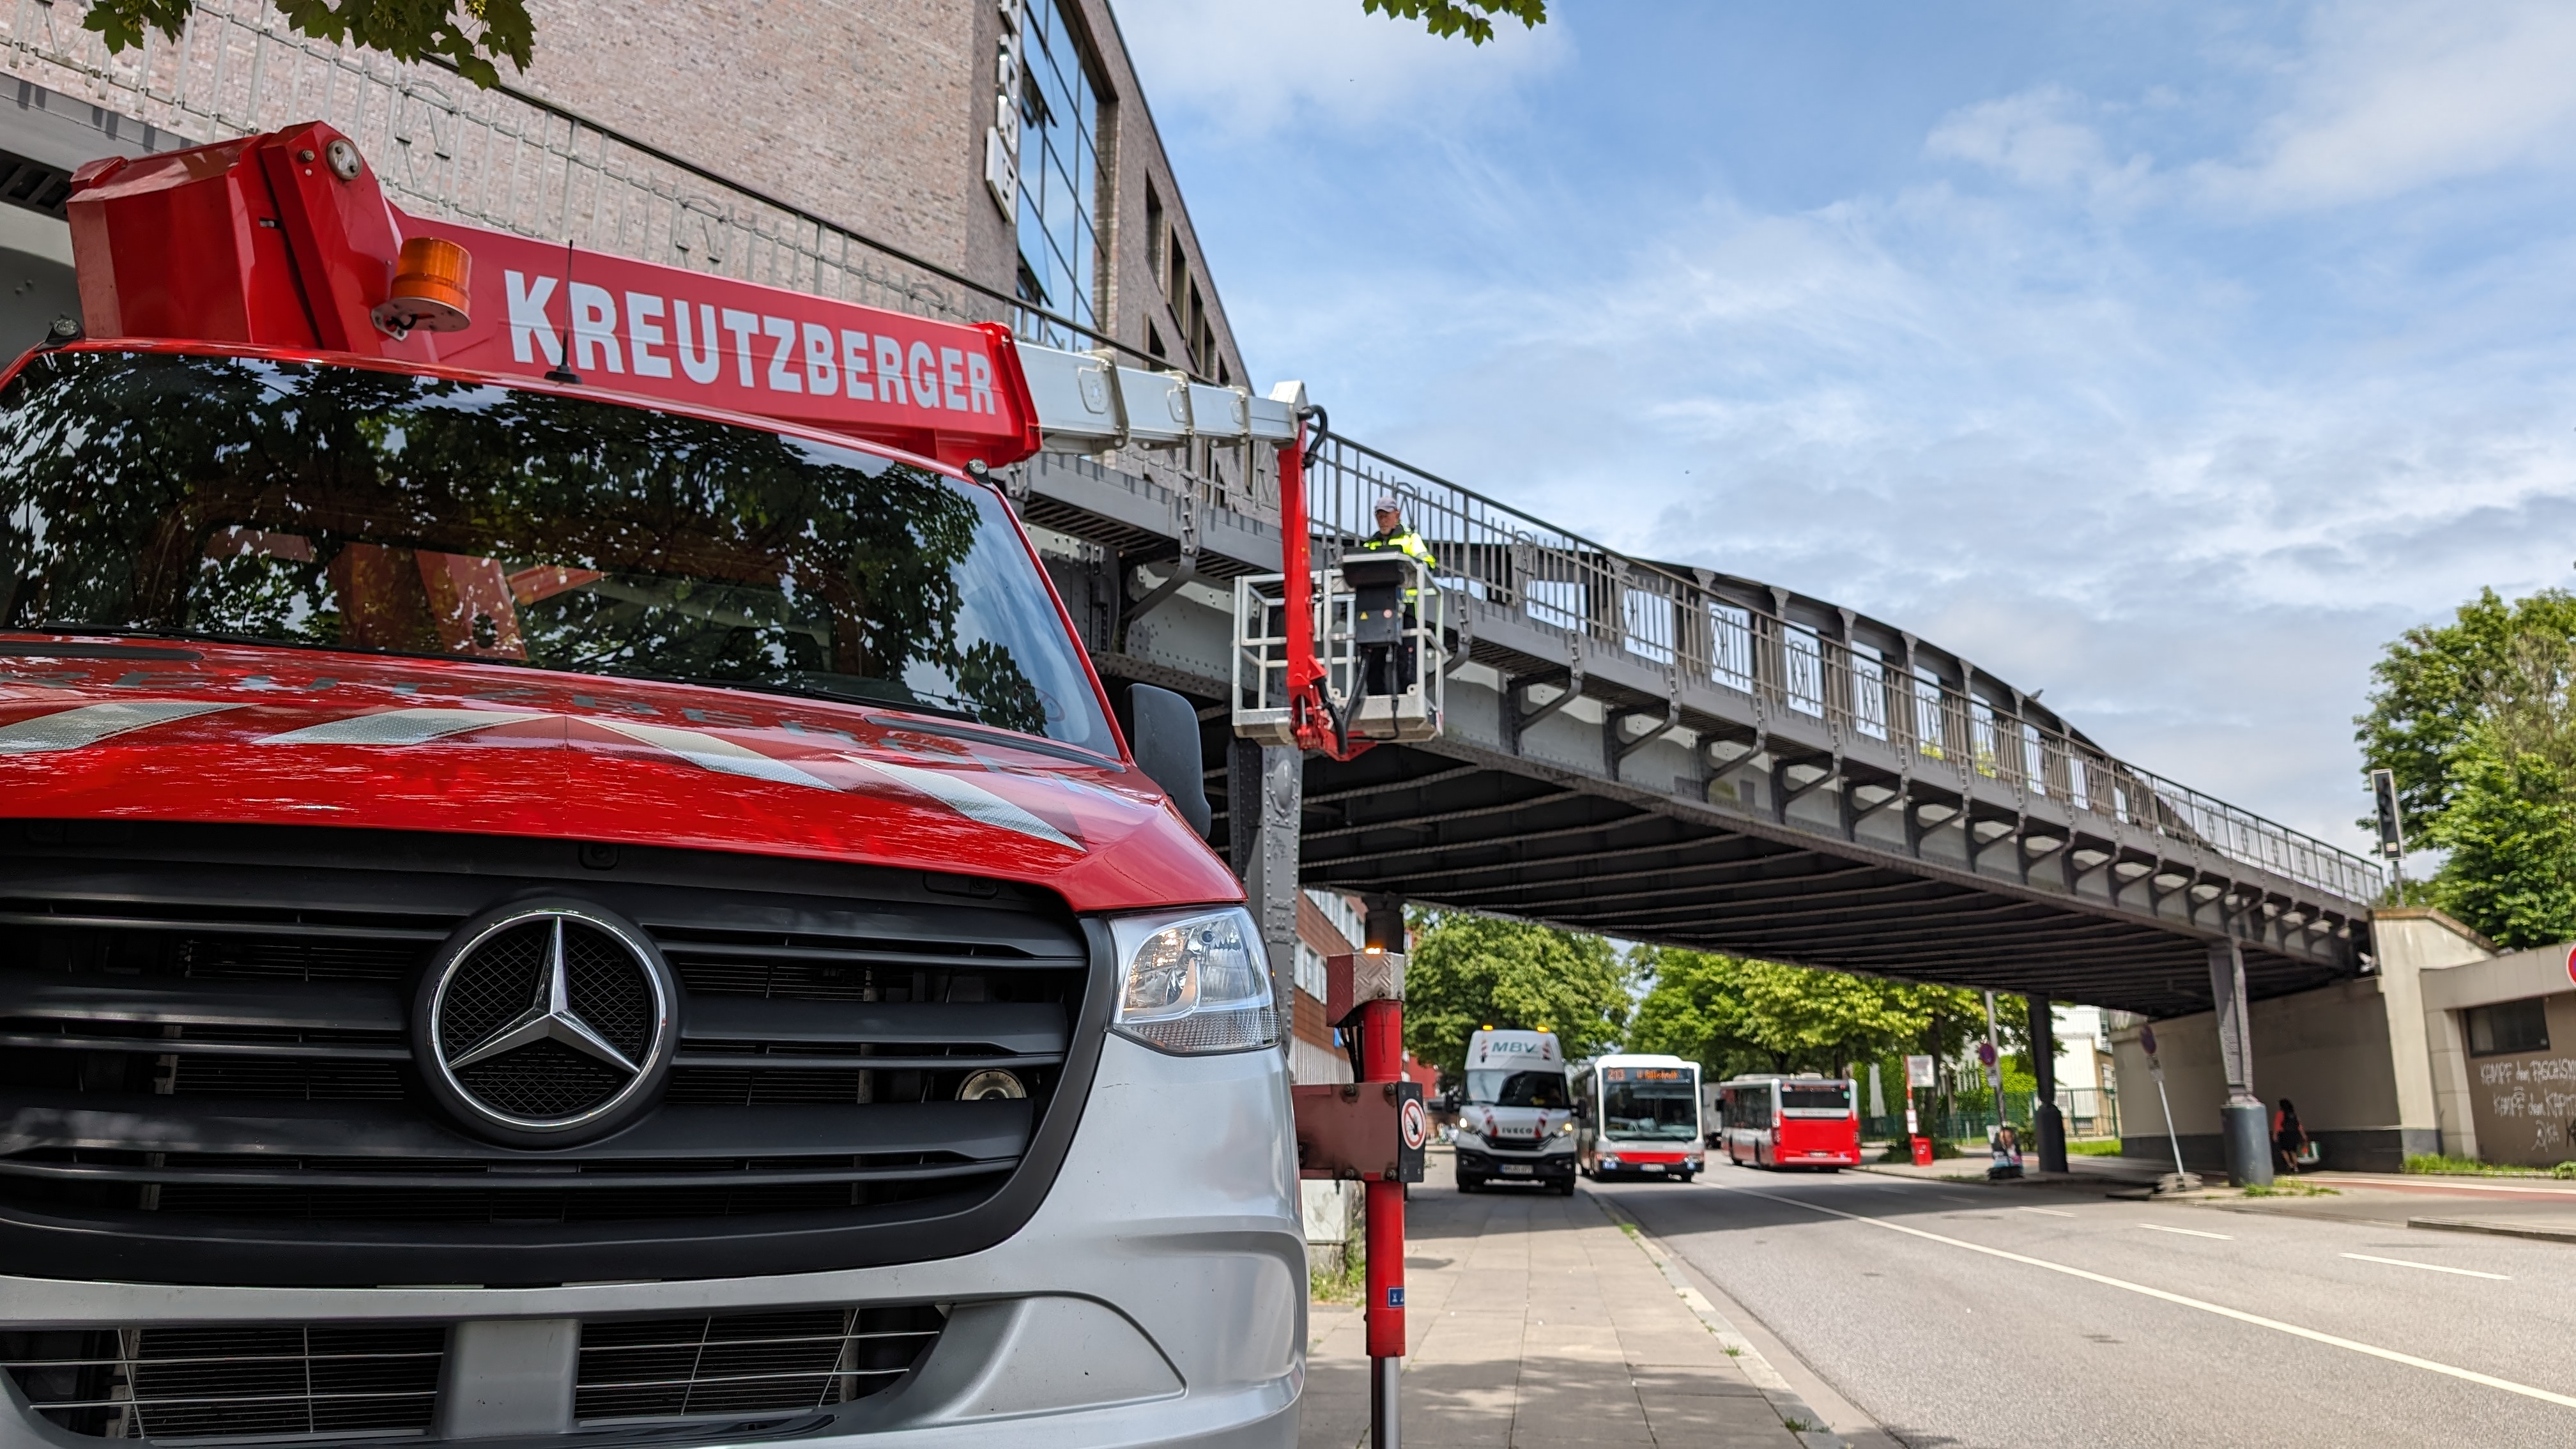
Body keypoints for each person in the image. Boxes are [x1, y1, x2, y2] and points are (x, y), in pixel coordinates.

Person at [1351, 494, 1436, 698]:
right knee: (1373, 658)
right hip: (1376, 609)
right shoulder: (1370, 544)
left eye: (1386, 515)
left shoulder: (1410, 539)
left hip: (1405, 608)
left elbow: (1428, 564)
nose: (1383, 520)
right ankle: (1376, 695)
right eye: (1379, 516)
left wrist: (1413, 565)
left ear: (1396, 515)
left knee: (1406, 658)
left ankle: (1407, 694)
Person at [2274, 1097, 2310, 1174]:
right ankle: (2296, 1167)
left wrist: (2275, 1135)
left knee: (2284, 1150)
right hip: (2294, 1134)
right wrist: (2304, 1135)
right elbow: (2299, 1126)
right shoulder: (2294, 1114)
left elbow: (2277, 1125)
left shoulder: (2280, 1113)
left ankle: (2289, 1164)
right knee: (2293, 1151)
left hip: (2284, 1134)